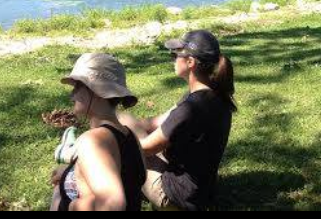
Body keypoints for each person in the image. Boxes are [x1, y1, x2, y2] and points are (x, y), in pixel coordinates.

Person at [123, 30, 236, 211]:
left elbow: (144, 148)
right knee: (125, 122)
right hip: (201, 192)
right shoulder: (212, 95)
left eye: (175, 55)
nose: (173, 59)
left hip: (177, 198)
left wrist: (114, 136)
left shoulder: (189, 110)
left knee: (128, 155)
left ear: (190, 62)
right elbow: (156, 122)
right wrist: (129, 123)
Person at [50, 53, 145, 211]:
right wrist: (69, 173)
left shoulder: (93, 141)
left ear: (97, 91)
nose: (72, 94)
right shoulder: (129, 135)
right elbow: (124, 179)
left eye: (77, 86)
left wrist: (68, 205)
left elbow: (112, 204)